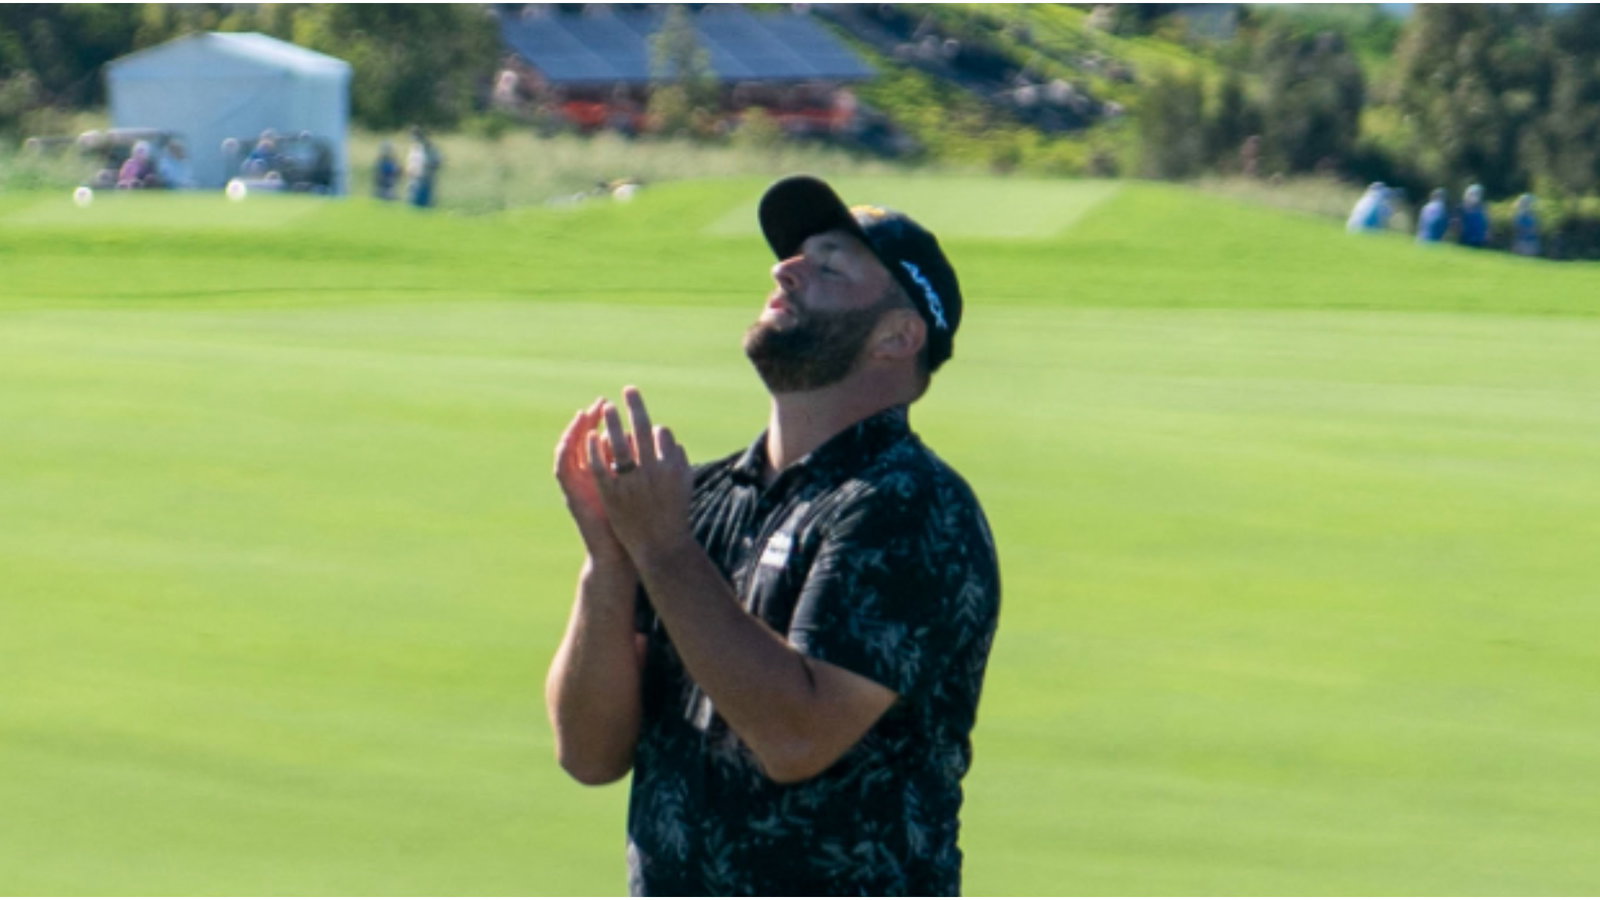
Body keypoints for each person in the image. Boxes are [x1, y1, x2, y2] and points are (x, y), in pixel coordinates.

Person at [547, 175, 1001, 895]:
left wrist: (661, 549)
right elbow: (589, 753)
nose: (785, 270)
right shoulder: (699, 498)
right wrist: (608, 559)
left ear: (897, 336)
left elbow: (796, 736)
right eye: (793, 257)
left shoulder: (912, 505)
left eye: (829, 266)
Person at [405, 126, 441, 208]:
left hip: (424, 178)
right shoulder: (415, 147)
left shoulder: (427, 147)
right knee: (414, 201)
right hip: (415, 178)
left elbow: (435, 162)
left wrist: (427, 169)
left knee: (422, 202)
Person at [1458, 183, 1489, 248]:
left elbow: (1486, 222)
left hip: (1478, 236)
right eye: (1476, 194)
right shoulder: (1464, 207)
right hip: (1467, 235)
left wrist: (1486, 232)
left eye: (1479, 194)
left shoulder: (1482, 207)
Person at [1512, 193, 1540, 257]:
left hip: (1531, 241)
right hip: (1523, 241)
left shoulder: (1532, 215)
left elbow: (1536, 228)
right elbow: (1519, 229)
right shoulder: (1521, 216)